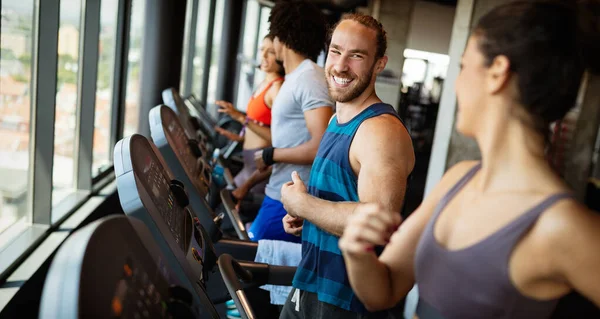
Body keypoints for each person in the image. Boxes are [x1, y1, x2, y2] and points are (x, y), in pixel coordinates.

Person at [339, 1, 600, 318]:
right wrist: (357, 252)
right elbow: (382, 292)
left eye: (462, 67)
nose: (457, 83)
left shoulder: (560, 224)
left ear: (496, 73)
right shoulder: (458, 179)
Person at [278, 13, 415, 318]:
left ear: (379, 63)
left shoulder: (380, 131)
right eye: (336, 52)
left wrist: (303, 204)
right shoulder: (336, 120)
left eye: (356, 56)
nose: (340, 66)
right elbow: (343, 203)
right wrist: (309, 217)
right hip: (312, 285)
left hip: (345, 301)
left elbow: (376, 223)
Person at [242, 0, 335, 243]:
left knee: (250, 263)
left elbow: (319, 147)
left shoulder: (309, 79)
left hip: (293, 199)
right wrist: (246, 185)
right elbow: (292, 144)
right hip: (279, 193)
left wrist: (271, 154)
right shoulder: (294, 79)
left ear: (280, 36)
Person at [215, 34, 284, 196]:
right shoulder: (264, 83)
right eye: (262, 50)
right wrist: (240, 138)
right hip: (248, 161)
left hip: (259, 166)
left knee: (232, 208)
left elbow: (277, 138)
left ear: (280, 55)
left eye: (271, 52)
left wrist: (239, 117)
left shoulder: (277, 89)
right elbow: (259, 124)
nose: (264, 56)